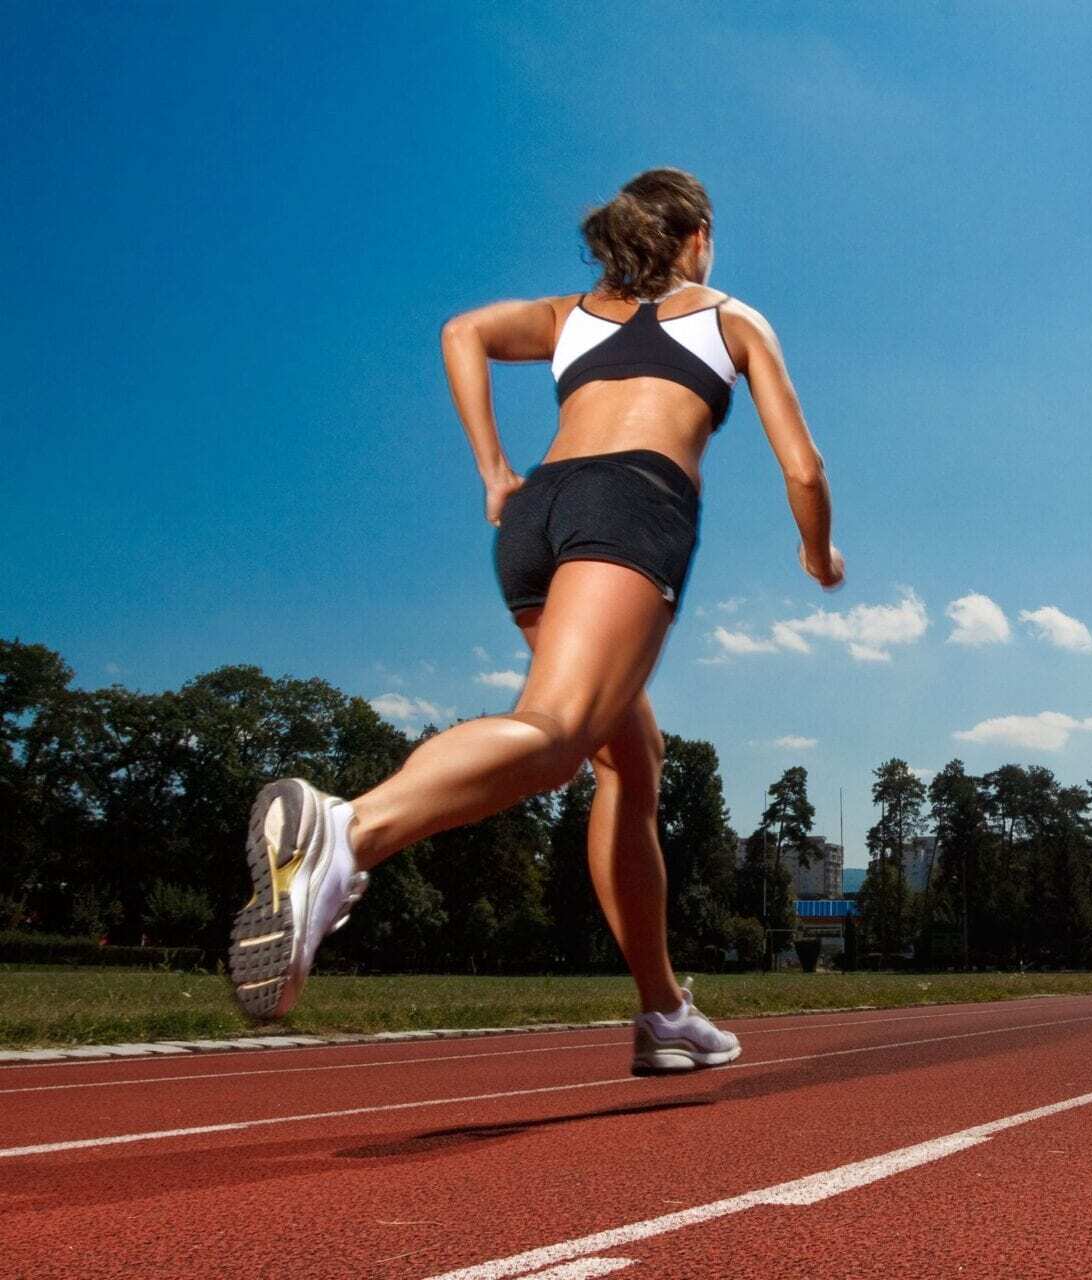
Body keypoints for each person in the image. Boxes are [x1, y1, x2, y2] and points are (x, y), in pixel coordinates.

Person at [226, 167, 844, 1073]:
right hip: (629, 508)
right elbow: (804, 469)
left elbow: (462, 331)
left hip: (536, 519)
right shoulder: (730, 318)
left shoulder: (571, 315)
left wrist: (493, 470)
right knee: (556, 734)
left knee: (628, 757)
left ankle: (664, 1011)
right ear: (699, 234)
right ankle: (347, 832)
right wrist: (817, 554)